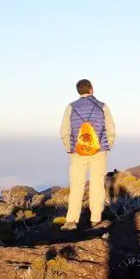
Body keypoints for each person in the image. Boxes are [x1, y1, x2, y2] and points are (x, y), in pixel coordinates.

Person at [59, 79, 116, 231]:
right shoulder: (102, 106)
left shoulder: (70, 107)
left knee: (77, 185)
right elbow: (111, 130)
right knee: (97, 185)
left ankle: (71, 221)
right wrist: (106, 146)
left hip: (78, 153)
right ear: (91, 89)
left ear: (79, 91)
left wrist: (70, 148)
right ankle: (95, 219)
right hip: (98, 152)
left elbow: (64, 132)